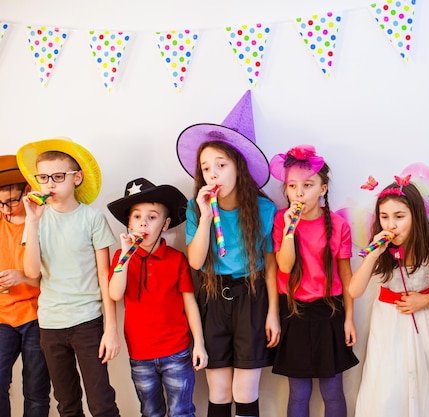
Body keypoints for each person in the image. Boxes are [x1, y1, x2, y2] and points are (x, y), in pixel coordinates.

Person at [176, 91, 280, 417]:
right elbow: (194, 261)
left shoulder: (264, 209)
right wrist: (206, 216)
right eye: (206, 168)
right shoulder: (197, 208)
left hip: (252, 296)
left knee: (244, 390)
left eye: (221, 165)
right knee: (219, 392)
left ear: (239, 167)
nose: (213, 174)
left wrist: (273, 312)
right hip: (212, 297)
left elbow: (272, 266)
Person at [17, 138, 121, 417]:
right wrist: (33, 220)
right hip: (50, 324)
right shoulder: (36, 219)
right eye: (43, 177)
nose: (49, 183)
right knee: (67, 404)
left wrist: (111, 329)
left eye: (58, 176)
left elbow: (103, 275)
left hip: (88, 321)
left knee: (102, 403)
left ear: (77, 178)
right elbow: (32, 272)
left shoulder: (92, 218)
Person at [349, 177, 429, 417]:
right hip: (388, 324)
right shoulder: (379, 248)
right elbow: (354, 291)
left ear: (416, 215)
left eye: (399, 217)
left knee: (426, 379)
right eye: (384, 217)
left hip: (426, 323)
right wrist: (373, 254)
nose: (391, 225)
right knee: (390, 383)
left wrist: (426, 300)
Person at [269, 144, 358, 417]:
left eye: (308, 185)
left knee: (332, 391)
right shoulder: (280, 221)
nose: (299, 193)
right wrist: (288, 230)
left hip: (329, 311)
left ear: (323, 189)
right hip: (293, 312)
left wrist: (350, 318)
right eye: (292, 186)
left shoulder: (339, 225)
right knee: (299, 393)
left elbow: (346, 275)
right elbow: (283, 266)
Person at [107, 177, 209, 416]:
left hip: (177, 350)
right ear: (129, 224)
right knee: (150, 411)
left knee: (181, 411)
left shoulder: (176, 259)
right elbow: (114, 293)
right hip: (140, 354)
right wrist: (124, 257)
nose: (144, 223)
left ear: (165, 224)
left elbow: (189, 303)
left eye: (152, 217)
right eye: (137, 217)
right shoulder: (121, 260)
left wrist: (200, 345)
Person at [0, 155, 50, 417]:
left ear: (27, 190)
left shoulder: (42, 222)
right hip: (2, 317)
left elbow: (54, 276)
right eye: (0, 202)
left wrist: (23, 276)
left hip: (36, 315)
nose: (6, 208)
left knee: (36, 389)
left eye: (11, 201)